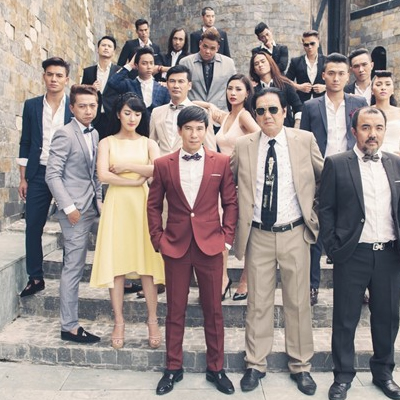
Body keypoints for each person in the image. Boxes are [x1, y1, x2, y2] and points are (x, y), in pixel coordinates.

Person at [231, 87, 323, 395]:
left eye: (273, 109)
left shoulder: (304, 140)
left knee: (298, 303)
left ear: (285, 111)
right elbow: (230, 185)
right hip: (258, 234)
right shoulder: (243, 146)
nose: (267, 115)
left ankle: (301, 365)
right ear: (255, 115)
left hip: (295, 232)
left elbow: (324, 177)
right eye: (261, 111)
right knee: (258, 303)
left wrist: (314, 212)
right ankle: (255, 364)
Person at [147, 106, 238, 396]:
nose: (194, 134)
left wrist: (226, 239)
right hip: (175, 245)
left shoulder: (220, 162)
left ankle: (216, 368)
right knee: (175, 310)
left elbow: (231, 203)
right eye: (188, 128)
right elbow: (153, 205)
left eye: (200, 128)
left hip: (210, 245)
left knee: (214, 311)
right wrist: (158, 239)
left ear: (206, 131)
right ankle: (173, 367)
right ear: (180, 131)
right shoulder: (163, 164)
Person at [319, 106, 400, 400]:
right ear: (354, 131)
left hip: (389, 254)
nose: (372, 134)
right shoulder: (337, 163)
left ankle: (384, 374)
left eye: (378, 128)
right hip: (353, 254)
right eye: (366, 128)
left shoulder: (396, 163)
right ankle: (342, 377)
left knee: (388, 318)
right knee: (345, 319)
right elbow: (325, 209)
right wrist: (334, 247)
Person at [90, 93, 164, 349]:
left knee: (147, 265)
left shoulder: (148, 143)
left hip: (142, 205)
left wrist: (126, 166)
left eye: (138, 113)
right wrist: (133, 180)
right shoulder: (107, 142)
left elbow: (158, 169)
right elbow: (102, 175)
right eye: (128, 113)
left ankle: (153, 320)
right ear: (118, 114)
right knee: (117, 264)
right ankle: (118, 321)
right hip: (117, 204)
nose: (133, 118)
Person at [300, 52, 367, 306]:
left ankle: (359, 286)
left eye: (341, 73)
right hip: (321, 174)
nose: (336, 78)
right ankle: (312, 285)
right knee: (317, 230)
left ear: (347, 76)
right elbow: (304, 142)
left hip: (351, 171)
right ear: (323, 75)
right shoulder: (311, 106)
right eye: (331, 73)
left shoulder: (358, 102)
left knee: (352, 229)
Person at [193, 73, 259, 300]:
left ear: (247, 93)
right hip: (224, 179)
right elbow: (206, 106)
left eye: (238, 89)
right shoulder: (227, 116)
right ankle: (222, 279)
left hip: (243, 180)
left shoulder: (244, 116)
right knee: (220, 230)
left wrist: (246, 162)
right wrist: (197, 103)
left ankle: (245, 280)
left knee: (246, 231)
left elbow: (261, 138)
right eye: (230, 88)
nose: (233, 93)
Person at [45, 84, 102, 343]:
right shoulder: (64, 134)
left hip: (92, 207)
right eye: (82, 106)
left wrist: (99, 202)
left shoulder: (95, 133)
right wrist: (69, 209)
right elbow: (52, 175)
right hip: (74, 211)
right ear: (72, 108)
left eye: (92, 105)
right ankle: (69, 326)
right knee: (73, 267)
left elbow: (94, 174)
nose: (88, 110)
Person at [17, 57, 72, 297]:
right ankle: (36, 277)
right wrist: (23, 178)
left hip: (66, 174)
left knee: (70, 229)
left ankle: (70, 276)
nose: (54, 79)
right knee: (33, 226)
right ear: (43, 77)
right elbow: (25, 141)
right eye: (50, 74)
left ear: (66, 79)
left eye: (59, 75)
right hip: (38, 173)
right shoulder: (31, 106)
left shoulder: (73, 107)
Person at [150, 64, 217, 156]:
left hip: (190, 162)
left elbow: (210, 148)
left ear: (189, 85)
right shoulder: (156, 112)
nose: (176, 85)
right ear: (167, 84)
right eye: (172, 81)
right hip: (162, 162)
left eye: (181, 81)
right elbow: (152, 143)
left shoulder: (203, 113)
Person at [180, 28, 236, 111]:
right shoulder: (185, 62)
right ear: (200, 44)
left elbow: (234, 87)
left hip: (220, 112)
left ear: (217, 48)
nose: (207, 51)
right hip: (193, 112)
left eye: (212, 48)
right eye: (205, 46)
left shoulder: (228, 63)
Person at [108, 47, 170, 116]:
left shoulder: (162, 88)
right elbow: (112, 82)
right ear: (136, 65)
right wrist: (130, 65)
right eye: (144, 63)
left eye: (151, 63)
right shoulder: (129, 85)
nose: (149, 67)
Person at [250, 50, 303, 128]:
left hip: (286, 127)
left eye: (263, 61)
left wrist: (297, 125)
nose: (260, 65)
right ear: (254, 70)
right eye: (256, 64)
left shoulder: (285, 84)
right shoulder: (252, 89)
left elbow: (298, 107)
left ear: (270, 64)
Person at [81, 36, 120, 140]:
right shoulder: (88, 71)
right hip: (93, 117)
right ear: (98, 49)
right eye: (103, 45)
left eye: (109, 46)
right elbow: (81, 94)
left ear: (113, 52)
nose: (106, 48)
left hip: (112, 117)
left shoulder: (119, 71)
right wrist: (91, 89)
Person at [286, 30, 326, 104]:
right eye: (306, 45)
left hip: (322, 102)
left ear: (318, 43)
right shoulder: (296, 62)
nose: (309, 47)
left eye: (312, 43)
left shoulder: (326, 61)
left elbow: (335, 80)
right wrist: (298, 87)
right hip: (301, 103)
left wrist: (324, 87)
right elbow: (286, 81)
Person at [371, 70, 400, 154]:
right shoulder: (366, 112)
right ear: (372, 90)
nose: (383, 88)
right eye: (378, 84)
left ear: (393, 90)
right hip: (372, 155)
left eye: (387, 84)